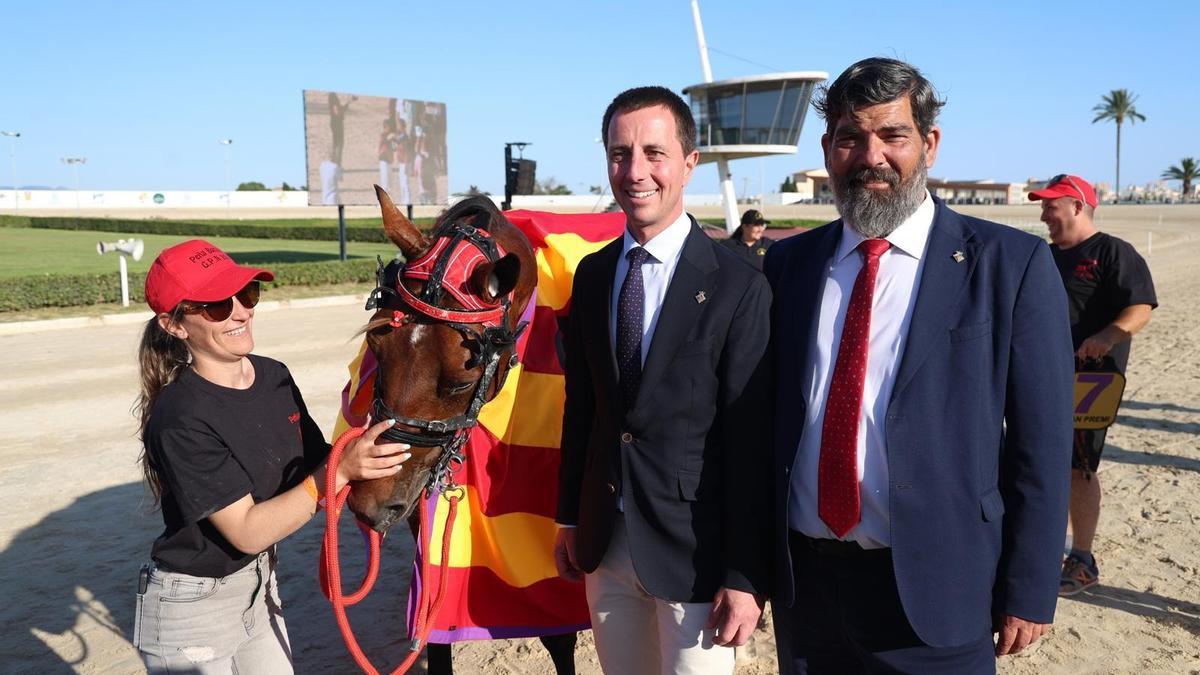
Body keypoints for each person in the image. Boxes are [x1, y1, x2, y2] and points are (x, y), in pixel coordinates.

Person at [763, 57, 1074, 673]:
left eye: (892, 135)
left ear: (928, 143)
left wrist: (1031, 588)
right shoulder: (786, 267)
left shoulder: (1010, 265)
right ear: (829, 149)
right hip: (807, 592)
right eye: (851, 137)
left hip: (939, 592)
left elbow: (1041, 445)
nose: (871, 155)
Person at [554, 86, 773, 674]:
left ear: (689, 162)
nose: (635, 171)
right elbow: (583, 409)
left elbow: (751, 441)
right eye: (619, 153)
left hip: (696, 555)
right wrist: (570, 518)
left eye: (654, 152)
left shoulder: (738, 284)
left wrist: (745, 574)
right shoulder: (594, 275)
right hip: (606, 544)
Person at [132, 239, 410, 673]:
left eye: (246, 294)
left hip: (259, 587)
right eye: (216, 306)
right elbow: (247, 531)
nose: (241, 311)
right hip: (190, 610)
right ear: (174, 326)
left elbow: (323, 461)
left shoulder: (274, 375)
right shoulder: (179, 415)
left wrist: (394, 453)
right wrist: (339, 473)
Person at [1028, 174, 1157, 596]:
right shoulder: (1043, 257)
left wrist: (1107, 336)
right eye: (1043, 205)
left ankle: (1081, 558)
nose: (1044, 213)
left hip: (1092, 381)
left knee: (1077, 467)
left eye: (1051, 205)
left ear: (1077, 206)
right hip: (1040, 376)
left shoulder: (1113, 252)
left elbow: (1140, 307)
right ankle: (1038, 550)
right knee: (1033, 461)